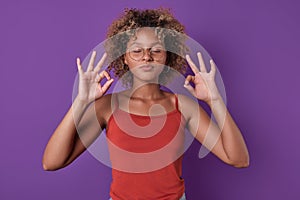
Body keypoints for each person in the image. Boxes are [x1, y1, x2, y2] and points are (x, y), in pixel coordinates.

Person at [42, 8, 249, 200]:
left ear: (167, 56)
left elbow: (238, 159)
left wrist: (215, 100)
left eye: (156, 50)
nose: (147, 57)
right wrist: (81, 101)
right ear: (124, 58)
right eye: (137, 51)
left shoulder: (183, 106)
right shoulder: (107, 106)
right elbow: (51, 163)